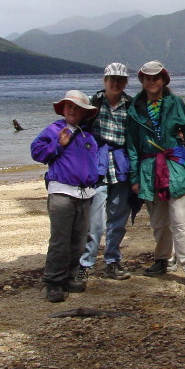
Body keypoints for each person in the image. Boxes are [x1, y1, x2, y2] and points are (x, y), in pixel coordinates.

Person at [125, 60, 185, 288]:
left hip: (176, 167)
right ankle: (163, 260)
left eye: (156, 78)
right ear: (141, 80)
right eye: (147, 78)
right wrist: (134, 178)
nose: (151, 82)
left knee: (182, 221)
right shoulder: (134, 109)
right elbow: (132, 146)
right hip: (149, 170)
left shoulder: (175, 104)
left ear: (163, 80)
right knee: (159, 222)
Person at [30, 90, 99, 303]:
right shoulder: (55, 129)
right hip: (61, 192)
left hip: (85, 194)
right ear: (63, 109)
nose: (72, 110)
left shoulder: (88, 135)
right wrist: (58, 145)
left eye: (77, 107)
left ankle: (70, 277)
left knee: (79, 239)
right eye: (69, 106)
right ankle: (53, 282)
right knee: (60, 240)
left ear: (84, 113)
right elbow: (37, 152)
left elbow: (94, 160)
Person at [78, 62, 140, 282]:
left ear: (126, 82)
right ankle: (85, 264)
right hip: (97, 167)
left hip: (122, 167)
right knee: (94, 221)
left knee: (118, 218)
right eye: (112, 79)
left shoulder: (132, 106)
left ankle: (112, 261)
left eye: (121, 80)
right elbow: (77, 130)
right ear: (104, 81)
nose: (116, 83)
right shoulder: (92, 105)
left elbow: (138, 138)